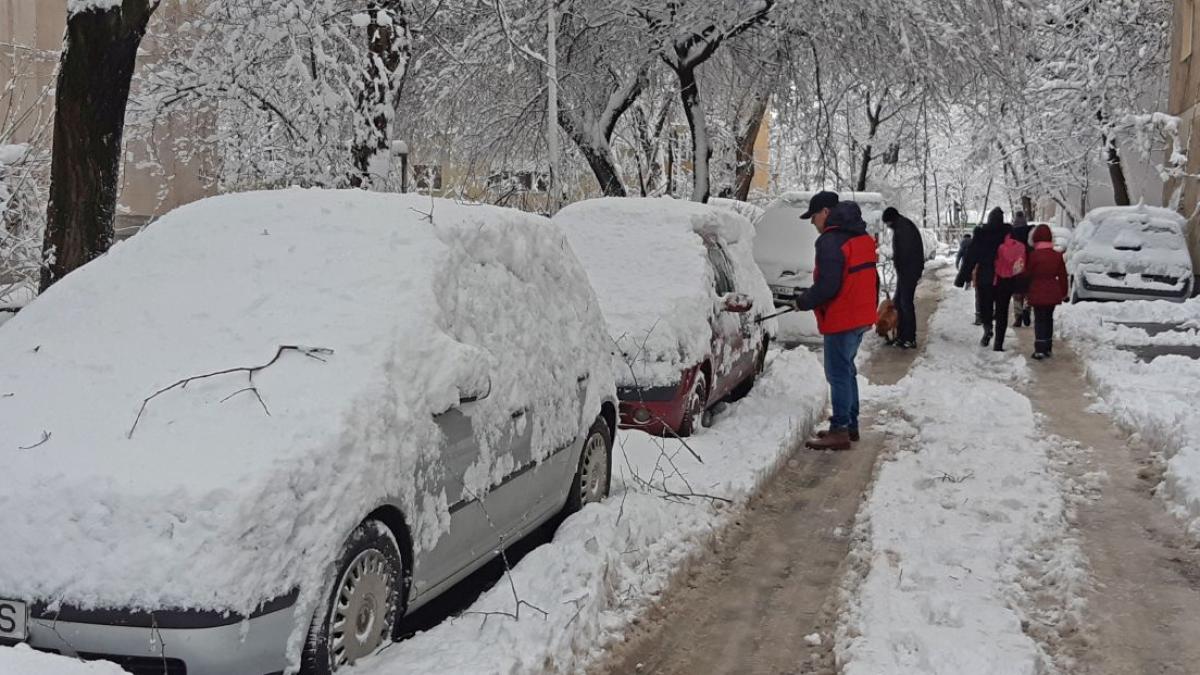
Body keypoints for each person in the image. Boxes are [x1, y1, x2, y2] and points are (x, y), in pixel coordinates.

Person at [793, 192, 879, 451]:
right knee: (847, 369)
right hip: (861, 314)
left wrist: (804, 300)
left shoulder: (830, 241)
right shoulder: (861, 237)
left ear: (826, 212)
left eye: (814, 215)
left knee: (838, 373)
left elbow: (829, 285)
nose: (812, 222)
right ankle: (849, 424)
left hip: (843, 317)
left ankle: (840, 429)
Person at [955, 207, 1015, 351]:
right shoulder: (1009, 233)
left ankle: (987, 329)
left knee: (985, 308)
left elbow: (971, 257)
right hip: (1004, 278)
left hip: (985, 277)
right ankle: (999, 344)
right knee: (1002, 311)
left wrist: (962, 278)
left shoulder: (981, 234)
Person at [882, 207, 925, 349]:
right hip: (906, 272)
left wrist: (899, 263)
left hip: (909, 271)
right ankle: (901, 335)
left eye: (887, 223)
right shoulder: (901, 225)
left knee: (906, 304)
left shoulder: (903, 228)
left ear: (891, 219)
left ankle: (910, 338)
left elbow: (905, 252)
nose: (887, 226)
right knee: (899, 303)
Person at [1026, 224, 1069, 359]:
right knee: (1048, 318)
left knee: (1039, 319)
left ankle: (1039, 348)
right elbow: (1063, 275)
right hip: (1052, 291)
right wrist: (1064, 292)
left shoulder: (1033, 256)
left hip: (1037, 290)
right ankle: (1048, 347)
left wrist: (1025, 291)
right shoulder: (1057, 256)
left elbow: (1027, 274)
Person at [1009, 211, 1033, 328]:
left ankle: (1018, 317)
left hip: (1017, 268)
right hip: (1029, 267)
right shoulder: (1031, 234)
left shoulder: (1012, 235)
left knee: (1017, 294)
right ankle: (1027, 308)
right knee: (1028, 292)